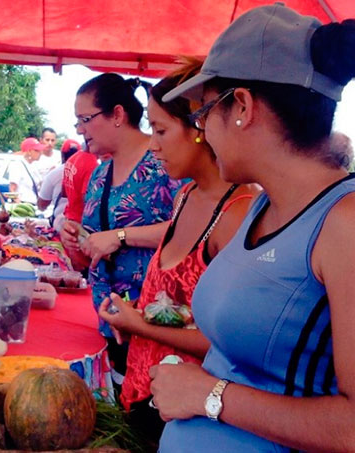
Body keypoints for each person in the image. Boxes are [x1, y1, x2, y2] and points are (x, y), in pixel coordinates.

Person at [146, 6, 355, 452]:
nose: (202, 133)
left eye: (202, 115)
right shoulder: (263, 203)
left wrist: (207, 395)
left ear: (241, 106)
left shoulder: (344, 224)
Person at [96, 59, 258, 446]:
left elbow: (228, 343)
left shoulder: (238, 214)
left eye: (161, 130)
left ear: (201, 128)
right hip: (143, 395)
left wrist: (141, 326)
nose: (153, 145)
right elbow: (175, 302)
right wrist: (136, 312)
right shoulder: (184, 196)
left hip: (187, 418)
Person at [59, 73, 182, 390]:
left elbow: (191, 231)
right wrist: (77, 238)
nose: (79, 130)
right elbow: (96, 242)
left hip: (157, 323)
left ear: (117, 114)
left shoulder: (164, 162)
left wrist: (121, 236)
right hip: (111, 321)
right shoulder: (100, 174)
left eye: (85, 119)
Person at [37, 139, 81, 231]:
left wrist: (117, 237)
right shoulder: (95, 172)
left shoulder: (55, 173)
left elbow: (41, 205)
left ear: (62, 155)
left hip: (62, 224)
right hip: (85, 228)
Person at [62, 142, 99, 230]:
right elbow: (87, 200)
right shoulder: (92, 164)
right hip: (81, 223)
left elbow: (63, 192)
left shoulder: (72, 158)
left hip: (69, 218)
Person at [10, 137, 45, 204]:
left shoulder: (33, 165)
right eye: (37, 150)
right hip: (24, 203)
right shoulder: (17, 165)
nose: (40, 153)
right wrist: (19, 205)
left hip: (34, 203)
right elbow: (12, 189)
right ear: (29, 151)